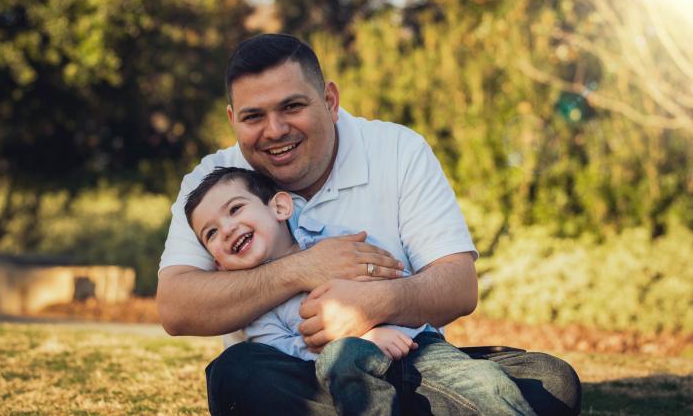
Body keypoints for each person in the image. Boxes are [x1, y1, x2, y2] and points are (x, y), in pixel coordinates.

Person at [157, 33, 581, 415]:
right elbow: (176, 308)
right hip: (297, 378)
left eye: (292, 106)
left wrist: (370, 306)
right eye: (253, 117)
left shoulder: (398, 150)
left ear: (330, 100)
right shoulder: (213, 185)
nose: (275, 130)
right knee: (235, 375)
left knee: (553, 381)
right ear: (233, 120)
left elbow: (458, 285)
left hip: (408, 358)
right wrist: (302, 269)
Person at [184, 166, 537, 415]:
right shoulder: (258, 311)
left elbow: (393, 277)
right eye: (211, 233)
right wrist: (359, 343)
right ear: (216, 263)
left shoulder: (333, 239)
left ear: (279, 206)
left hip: (414, 352)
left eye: (235, 210)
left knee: (494, 385)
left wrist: (378, 320)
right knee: (247, 371)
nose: (227, 229)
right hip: (338, 377)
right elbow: (284, 355)